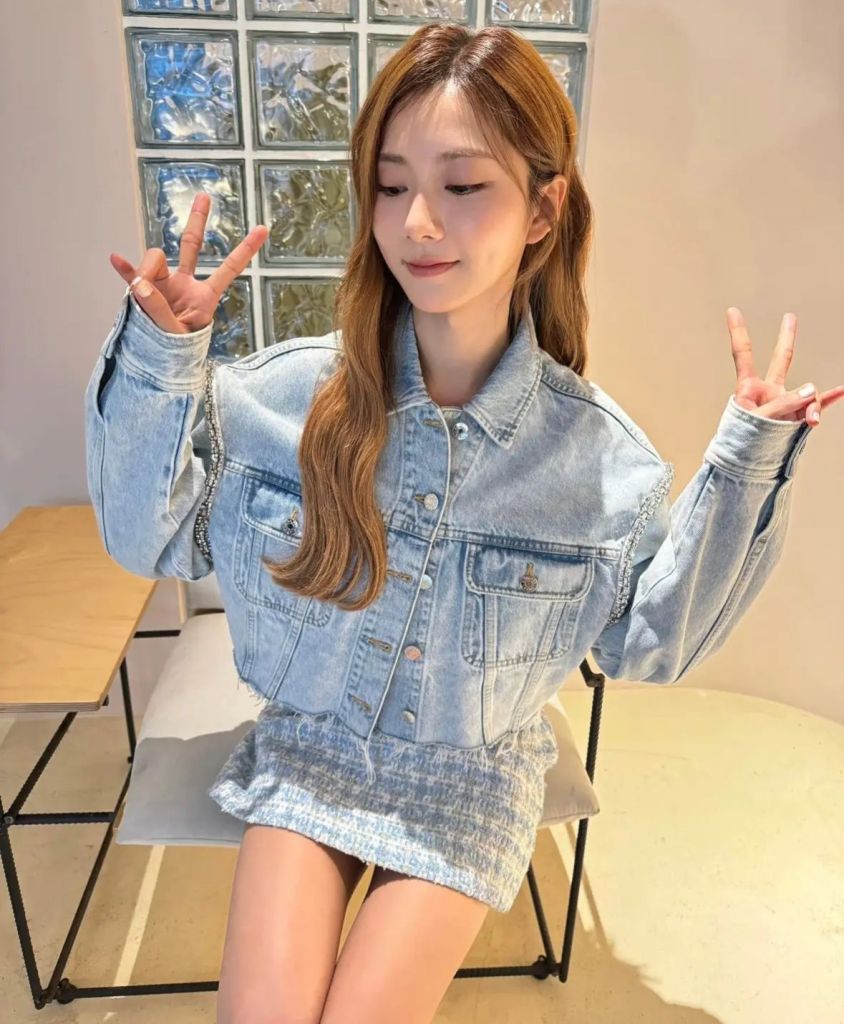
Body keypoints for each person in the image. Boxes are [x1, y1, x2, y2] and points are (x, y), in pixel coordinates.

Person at [84, 22, 842, 1024]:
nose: (418, 223)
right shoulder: (279, 399)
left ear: (543, 208)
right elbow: (147, 540)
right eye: (391, 185)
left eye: (463, 184)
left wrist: (746, 462)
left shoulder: (598, 461)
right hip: (311, 748)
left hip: (467, 777)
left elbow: (648, 648)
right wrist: (161, 360)